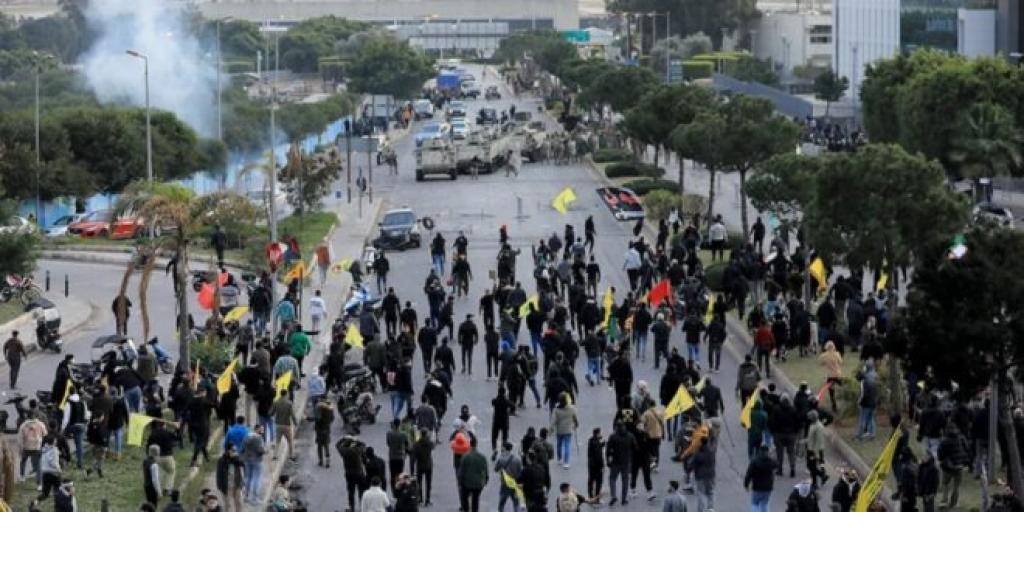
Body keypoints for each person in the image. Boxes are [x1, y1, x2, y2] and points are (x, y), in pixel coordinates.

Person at [606, 424, 638, 507]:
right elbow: (635, 448)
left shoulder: (613, 436)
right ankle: (624, 499)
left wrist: (608, 460)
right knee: (625, 481)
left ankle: (613, 496)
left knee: (612, 479)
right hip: (626, 462)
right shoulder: (630, 436)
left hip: (615, 462)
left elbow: (608, 449)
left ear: (617, 428)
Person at [938, 425, 969, 510]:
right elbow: (966, 449)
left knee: (945, 483)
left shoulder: (944, 441)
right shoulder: (961, 438)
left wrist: (942, 461)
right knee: (956, 485)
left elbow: (940, 454)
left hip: (948, 466)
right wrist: (965, 461)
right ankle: (953, 503)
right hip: (959, 465)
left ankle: (944, 501)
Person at [457, 438, 489, 513]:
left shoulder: (465, 457)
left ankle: (466, 509)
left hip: (466, 483)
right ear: (476, 445)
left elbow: (461, 471)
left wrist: (460, 482)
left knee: (464, 498)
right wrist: (485, 480)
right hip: (478, 483)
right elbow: (486, 471)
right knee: (476, 500)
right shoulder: (482, 457)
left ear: (469, 445)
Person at [338, 437, 368, 512]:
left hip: (349, 474)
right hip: (359, 474)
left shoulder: (344, 451)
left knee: (351, 492)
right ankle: (362, 507)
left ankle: (352, 508)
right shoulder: (357, 450)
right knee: (361, 491)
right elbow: (364, 445)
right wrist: (356, 440)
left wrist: (344, 439)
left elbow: (337, 445)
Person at [18, 414, 47, 489]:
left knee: (23, 461)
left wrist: (21, 448)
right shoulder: (41, 424)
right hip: (37, 447)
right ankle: (39, 484)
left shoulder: (23, 425)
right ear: (36, 417)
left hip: (26, 447)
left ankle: (22, 476)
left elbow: (20, 438)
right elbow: (45, 434)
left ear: (27, 416)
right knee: (38, 466)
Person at [550, 396, 579, 470]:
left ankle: (559, 458)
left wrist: (551, 428)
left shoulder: (556, 410)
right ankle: (566, 462)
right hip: (568, 430)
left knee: (559, 444)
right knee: (567, 446)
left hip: (559, 430)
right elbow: (575, 418)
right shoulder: (571, 409)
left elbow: (553, 420)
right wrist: (576, 424)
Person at [744, 445, 776, 513]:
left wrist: (746, 485)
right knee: (765, 504)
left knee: (754, 504)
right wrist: (771, 455)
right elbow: (776, 464)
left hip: (757, 487)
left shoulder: (754, 461)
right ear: (767, 451)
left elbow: (748, 474)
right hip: (768, 488)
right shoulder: (770, 461)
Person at [242, 424, 267, 505]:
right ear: (257, 429)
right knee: (256, 479)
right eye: (261, 429)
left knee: (248, 477)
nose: (263, 431)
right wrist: (265, 451)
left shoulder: (247, 435)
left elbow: (243, 448)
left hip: (247, 459)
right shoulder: (258, 438)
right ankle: (254, 499)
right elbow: (260, 450)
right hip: (256, 460)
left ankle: (246, 496)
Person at [495, 442, 523, 513]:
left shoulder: (501, 458)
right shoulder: (517, 459)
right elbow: (520, 472)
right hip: (515, 484)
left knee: (502, 503)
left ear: (504, 448)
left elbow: (496, 469)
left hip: (505, 484)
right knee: (516, 502)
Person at [217, 443, 245, 513]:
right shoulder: (222, 460)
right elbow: (219, 475)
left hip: (237, 485)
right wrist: (220, 486)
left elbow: (243, 465)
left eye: (236, 450)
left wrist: (236, 458)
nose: (235, 451)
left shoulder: (237, 459)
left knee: (239, 503)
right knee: (228, 505)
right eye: (233, 450)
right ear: (228, 450)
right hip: (227, 486)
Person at [855, 360, 879, 441]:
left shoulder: (863, 381)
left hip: (866, 403)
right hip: (874, 401)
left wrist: (859, 402)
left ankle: (859, 436)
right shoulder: (874, 376)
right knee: (871, 418)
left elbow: (863, 394)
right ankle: (872, 434)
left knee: (862, 419)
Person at [272, 392, 298, 462]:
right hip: (287, 425)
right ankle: (291, 455)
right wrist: (296, 423)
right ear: (286, 394)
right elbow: (293, 415)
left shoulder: (275, 402)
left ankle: (275, 455)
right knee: (290, 441)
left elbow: (271, 413)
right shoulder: (289, 403)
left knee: (277, 441)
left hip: (278, 424)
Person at [386, 420, 412, 493]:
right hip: (400, 457)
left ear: (393, 424)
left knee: (392, 474)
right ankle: (399, 490)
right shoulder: (403, 434)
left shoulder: (389, 434)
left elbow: (388, 443)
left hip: (392, 456)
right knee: (400, 474)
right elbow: (407, 444)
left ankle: (393, 490)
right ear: (399, 425)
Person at [412, 431, 435, 507]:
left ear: (421, 435)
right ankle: (427, 500)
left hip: (420, 465)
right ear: (426, 434)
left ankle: (420, 498)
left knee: (419, 483)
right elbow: (433, 445)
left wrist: (412, 469)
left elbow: (414, 457)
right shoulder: (430, 443)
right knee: (428, 483)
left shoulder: (416, 444)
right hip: (428, 465)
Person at [491, 386, 515, 456]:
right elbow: (513, 405)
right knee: (504, 437)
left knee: (494, 437)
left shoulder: (495, 400)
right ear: (504, 392)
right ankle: (503, 448)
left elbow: (492, 402)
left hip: (496, 421)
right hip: (504, 422)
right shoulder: (506, 401)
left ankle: (494, 449)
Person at [314, 397, 334, 468]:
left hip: (319, 430)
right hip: (327, 430)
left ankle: (321, 461)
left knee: (319, 446)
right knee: (326, 445)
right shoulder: (330, 409)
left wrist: (307, 418)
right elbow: (332, 419)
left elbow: (317, 419)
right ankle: (327, 461)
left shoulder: (319, 408)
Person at [587, 428, 606, 502]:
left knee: (591, 481)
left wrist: (601, 444)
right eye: (600, 433)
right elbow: (598, 455)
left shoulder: (591, 440)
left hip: (591, 465)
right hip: (597, 466)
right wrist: (602, 466)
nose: (601, 435)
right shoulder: (596, 442)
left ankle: (590, 496)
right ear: (598, 434)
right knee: (599, 481)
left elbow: (595, 448)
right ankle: (597, 498)